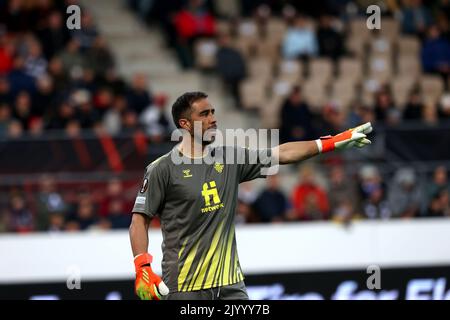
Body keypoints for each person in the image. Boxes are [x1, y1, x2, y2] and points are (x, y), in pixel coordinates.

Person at [129, 91, 372, 300]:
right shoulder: (162, 169)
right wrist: (142, 266)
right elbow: (140, 219)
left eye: (213, 112)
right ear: (185, 124)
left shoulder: (229, 159)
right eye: (204, 114)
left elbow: (282, 153)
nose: (213, 119)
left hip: (230, 284)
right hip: (184, 286)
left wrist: (331, 142)